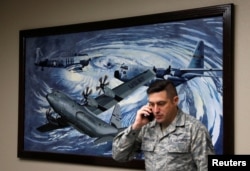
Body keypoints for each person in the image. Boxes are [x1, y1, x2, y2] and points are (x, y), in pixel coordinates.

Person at [112, 79, 215, 171]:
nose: (156, 110)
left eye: (161, 104)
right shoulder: (146, 127)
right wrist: (136, 126)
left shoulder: (195, 129)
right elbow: (119, 156)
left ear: (175, 101)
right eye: (152, 104)